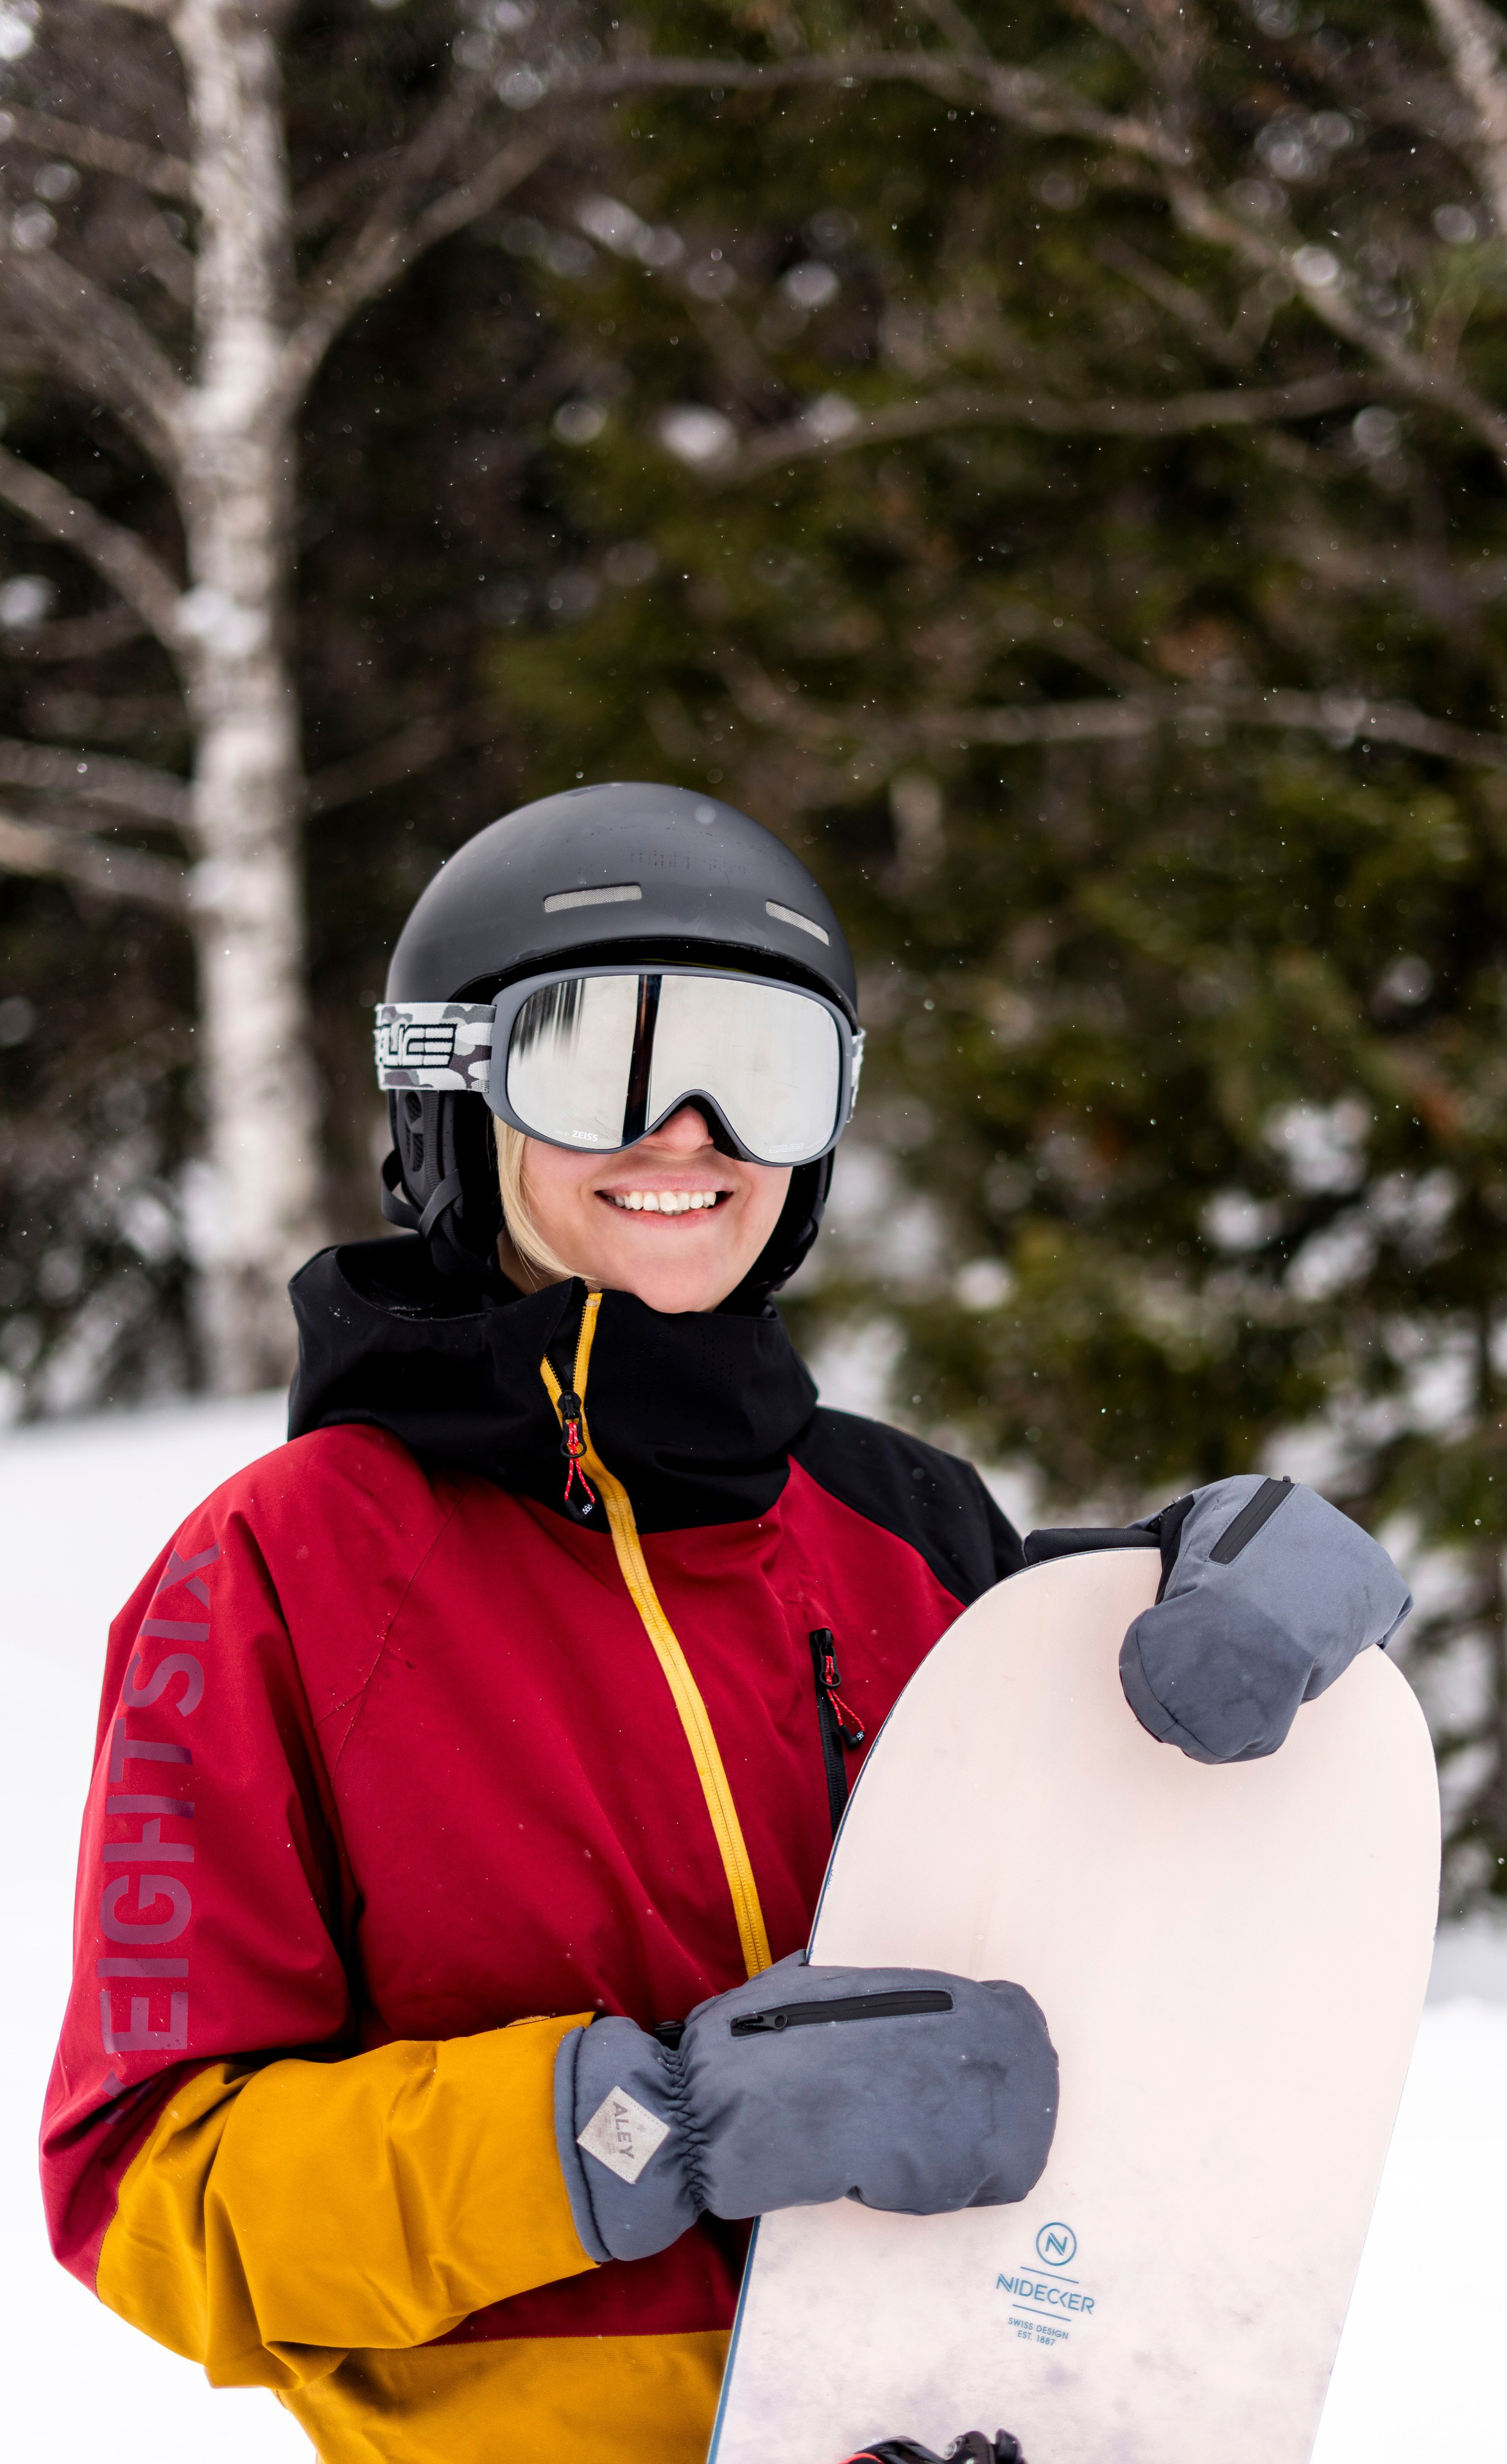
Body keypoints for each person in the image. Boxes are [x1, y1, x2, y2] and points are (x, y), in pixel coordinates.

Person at [41, 783, 1411, 2464]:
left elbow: (1126, 1966)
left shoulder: (907, 1530)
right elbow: (148, 2200)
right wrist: (639, 2134)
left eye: (757, 1067)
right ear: (450, 1098)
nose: (686, 1129)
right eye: (596, 1056)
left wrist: (1196, 1615)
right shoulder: (281, 1572)